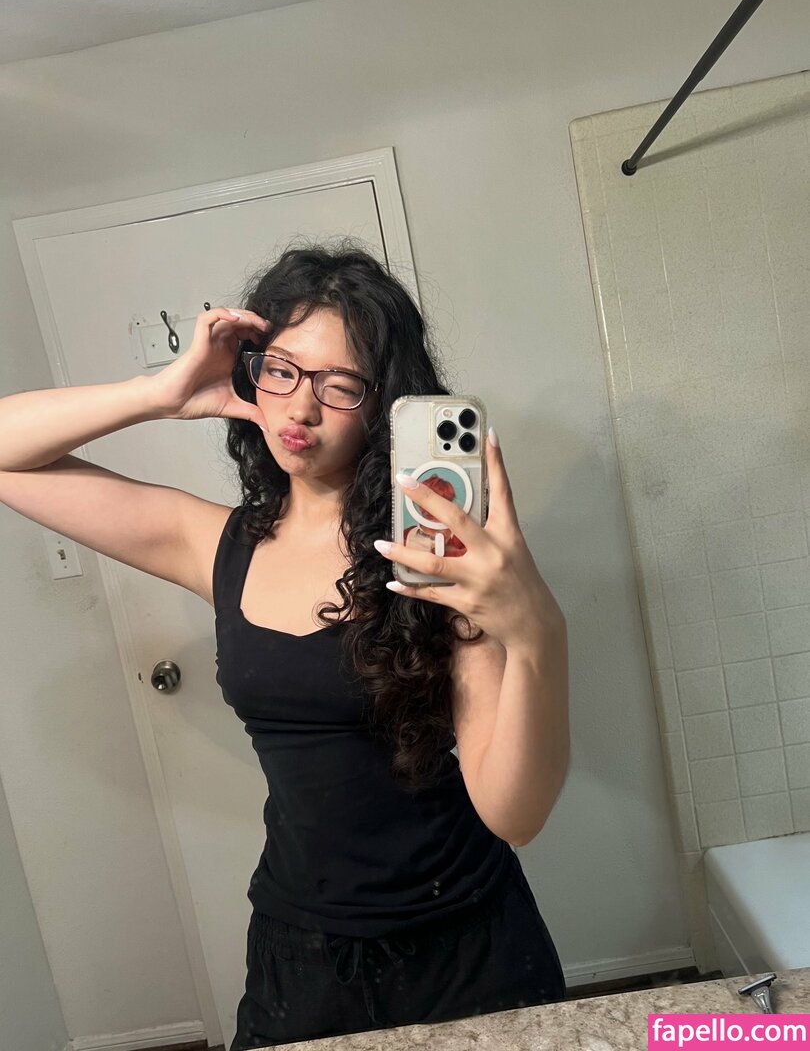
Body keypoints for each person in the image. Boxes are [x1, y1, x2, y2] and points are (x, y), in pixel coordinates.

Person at [0, 241, 570, 1049]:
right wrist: (160, 394)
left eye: (339, 384)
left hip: (466, 942)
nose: (301, 409)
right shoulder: (215, 545)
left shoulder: (437, 559)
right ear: (251, 373)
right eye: (281, 370)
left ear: (383, 402)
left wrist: (539, 632)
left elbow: (515, 816)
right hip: (303, 950)